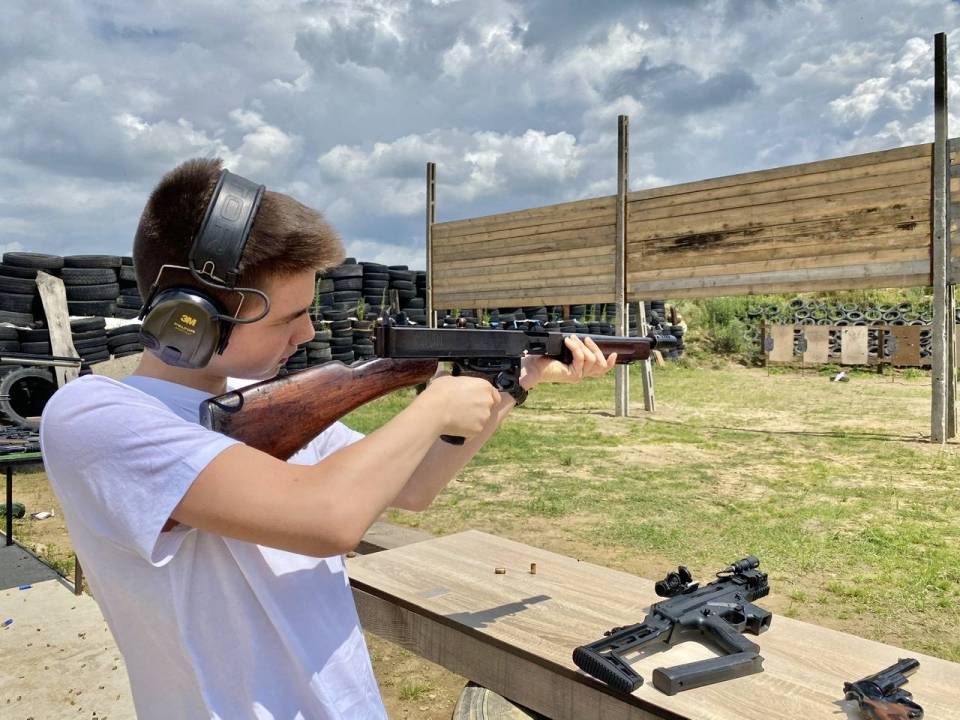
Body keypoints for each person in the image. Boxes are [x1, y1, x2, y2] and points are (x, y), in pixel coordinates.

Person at [39, 157, 617, 719]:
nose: (309, 331)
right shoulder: (94, 414)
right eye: (287, 318)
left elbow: (413, 486)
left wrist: (515, 383)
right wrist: (436, 404)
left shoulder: (259, 406)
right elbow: (328, 519)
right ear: (190, 319)